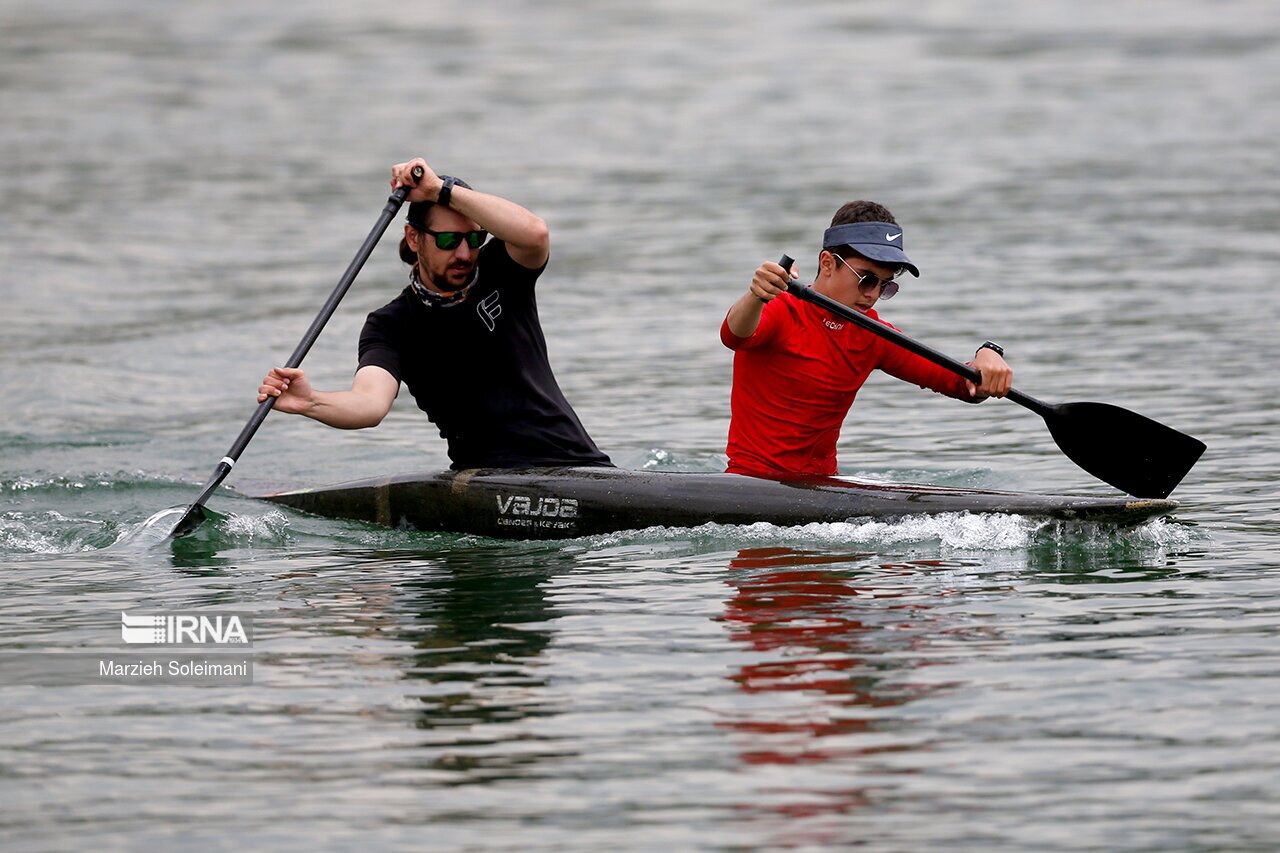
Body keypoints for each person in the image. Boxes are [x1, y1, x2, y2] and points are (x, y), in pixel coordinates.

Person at [258, 157, 611, 471]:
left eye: (474, 239)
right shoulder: (391, 325)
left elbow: (535, 233)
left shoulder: (502, 271)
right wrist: (310, 401)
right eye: (447, 241)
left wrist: (439, 189)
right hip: (481, 478)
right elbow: (369, 405)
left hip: (572, 464)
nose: (464, 253)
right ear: (414, 239)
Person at [720, 200, 1012, 477]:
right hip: (750, 482)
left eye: (886, 286)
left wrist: (987, 355)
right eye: (866, 279)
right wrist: (756, 296)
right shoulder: (780, 310)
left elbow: (960, 384)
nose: (873, 294)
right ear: (827, 264)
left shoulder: (872, 334)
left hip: (821, 489)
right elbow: (734, 335)